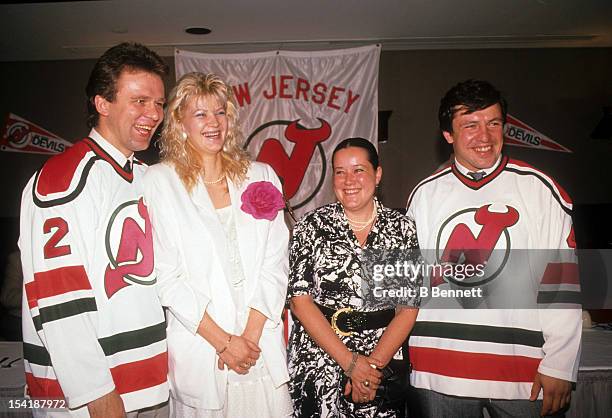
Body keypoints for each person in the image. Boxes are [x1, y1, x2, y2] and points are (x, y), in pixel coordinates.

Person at [406, 79, 581, 417]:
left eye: (494, 123)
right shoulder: (424, 195)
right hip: (438, 366)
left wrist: (560, 362)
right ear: (448, 135)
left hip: (522, 370)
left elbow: (561, 280)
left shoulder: (540, 190)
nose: (484, 136)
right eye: (470, 125)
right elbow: (412, 285)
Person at [19, 42, 170, 417]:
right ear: (103, 104)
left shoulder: (147, 176)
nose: (153, 113)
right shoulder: (63, 178)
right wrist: (97, 393)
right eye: (140, 101)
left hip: (149, 385)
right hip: (89, 399)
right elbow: (58, 299)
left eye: (159, 103)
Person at [142, 72, 292, 417]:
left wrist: (248, 339)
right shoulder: (160, 182)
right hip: (204, 350)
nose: (213, 123)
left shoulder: (262, 176)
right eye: (200, 114)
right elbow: (167, 278)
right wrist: (225, 343)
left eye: (220, 112)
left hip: (259, 350)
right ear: (180, 123)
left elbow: (276, 265)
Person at [288, 137, 421, 417]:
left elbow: (407, 308)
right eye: (340, 171)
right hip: (319, 357)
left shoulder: (400, 229)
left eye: (359, 170)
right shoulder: (311, 226)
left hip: (381, 360)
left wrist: (370, 369)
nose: (349, 180)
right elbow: (300, 302)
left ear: (378, 174)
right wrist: (350, 364)